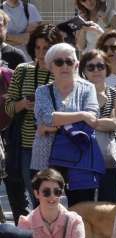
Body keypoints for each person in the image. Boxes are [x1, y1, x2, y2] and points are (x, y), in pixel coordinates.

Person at [31, 42, 100, 206]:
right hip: (45, 160)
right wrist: (81, 115)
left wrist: (50, 127)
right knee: (47, 211)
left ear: (76, 64)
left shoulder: (88, 88)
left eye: (69, 62)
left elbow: (92, 116)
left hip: (79, 159)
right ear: (50, 66)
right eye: (59, 62)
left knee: (82, 209)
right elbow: (47, 117)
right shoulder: (42, 91)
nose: (65, 66)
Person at [3, 24, 59, 223]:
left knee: (54, 202)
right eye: (38, 48)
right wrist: (22, 104)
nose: (42, 53)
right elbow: (8, 107)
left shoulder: (62, 70)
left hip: (58, 145)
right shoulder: (23, 70)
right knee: (33, 200)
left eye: (47, 48)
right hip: (28, 146)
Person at [80, 49, 116, 206]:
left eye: (100, 66)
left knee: (109, 206)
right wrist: (98, 114)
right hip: (82, 158)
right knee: (84, 206)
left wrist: (89, 120)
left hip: (108, 158)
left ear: (107, 68)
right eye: (91, 67)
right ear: (83, 70)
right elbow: (77, 124)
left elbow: (115, 123)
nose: (96, 70)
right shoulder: (78, 94)